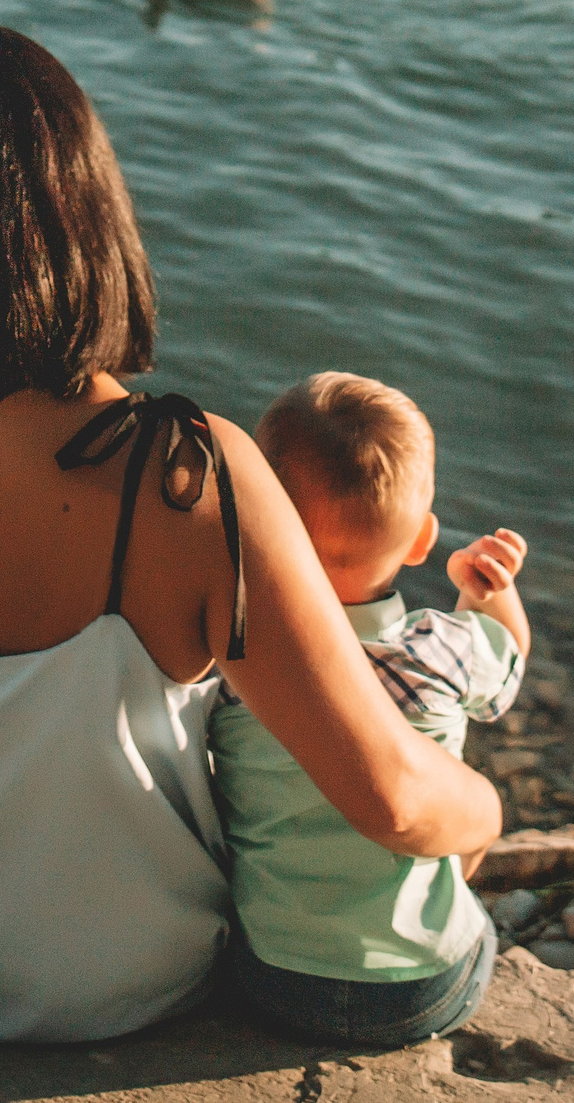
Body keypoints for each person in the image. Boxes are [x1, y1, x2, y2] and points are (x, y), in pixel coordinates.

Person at [0, 26, 503, 1043]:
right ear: (88, 214)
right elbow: (389, 797)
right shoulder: (190, 474)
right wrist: (486, 811)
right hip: (115, 987)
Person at [211, 371, 530, 1046]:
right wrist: (486, 592)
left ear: (259, 518)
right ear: (421, 540)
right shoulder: (443, 648)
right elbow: (508, 661)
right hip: (423, 989)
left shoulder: (236, 662)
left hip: (270, 974)